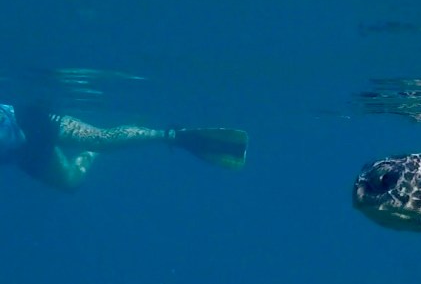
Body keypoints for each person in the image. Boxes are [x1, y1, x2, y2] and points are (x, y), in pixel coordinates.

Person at [0, 103, 248, 190]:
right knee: (70, 182)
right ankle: (102, 149)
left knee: (101, 139)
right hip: (21, 153)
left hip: (27, 121)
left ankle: (170, 136)